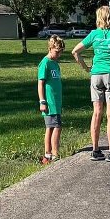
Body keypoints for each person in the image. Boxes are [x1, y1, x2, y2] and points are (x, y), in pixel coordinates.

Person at [72, 6, 110, 162]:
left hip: (96, 75)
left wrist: (86, 67)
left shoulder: (93, 34)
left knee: (96, 112)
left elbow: (75, 51)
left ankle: (95, 150)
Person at [37, 35, 65, 165]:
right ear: (50, 48)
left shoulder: (55, 63)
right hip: (49, 102)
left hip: (56, 102)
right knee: (55, 126)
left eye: (60, 52)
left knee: (52, 127)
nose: (58, 54)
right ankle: (52, 153)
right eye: (57, 52)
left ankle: (48, 154)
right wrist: (42, 101)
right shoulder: (45, 63)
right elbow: (40, 83)